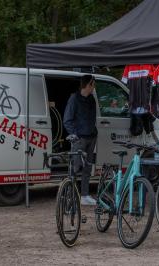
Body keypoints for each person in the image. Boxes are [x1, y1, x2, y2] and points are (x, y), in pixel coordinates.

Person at [63, 74, 98, 205]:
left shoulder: (92, 99)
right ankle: (70, 196)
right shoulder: (74, 99)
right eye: (93, 84)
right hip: (79, 139)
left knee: (87, 168)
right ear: (88, 85)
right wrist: (75, 135)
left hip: (91, 137)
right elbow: (67, 120)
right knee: (75, 167)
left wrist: (93, 132)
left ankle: (85, 195)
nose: (94, 87)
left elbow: (93, 118)